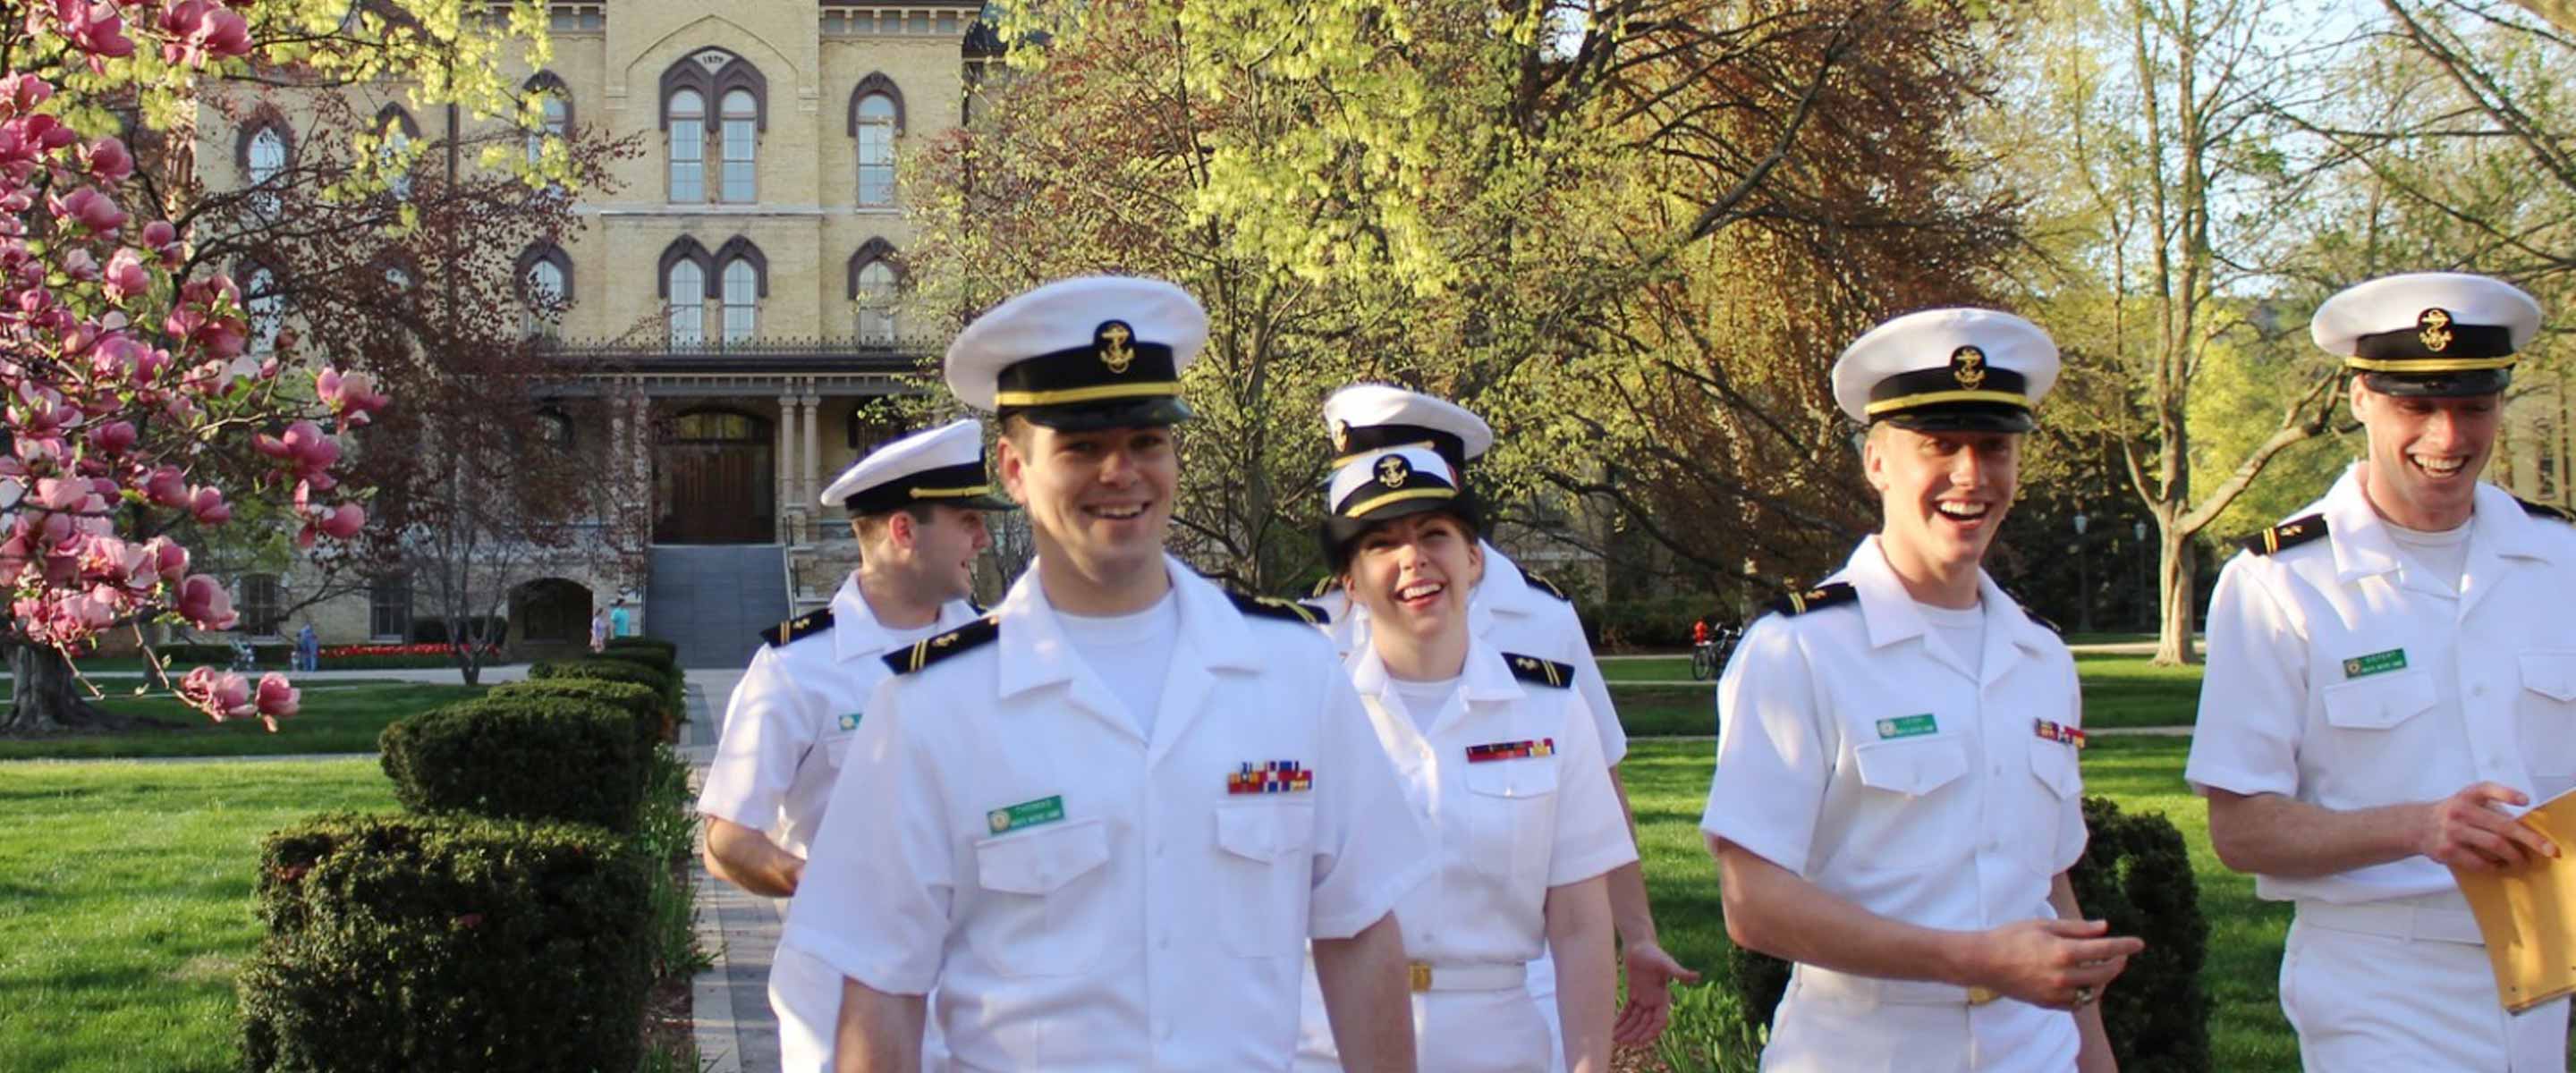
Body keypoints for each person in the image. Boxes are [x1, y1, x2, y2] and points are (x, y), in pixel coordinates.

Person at [784, 276, 1434, 1071]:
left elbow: (1360, 931)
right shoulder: (929, 706)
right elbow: (881, 997)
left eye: (1146, 441)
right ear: (1014, 471)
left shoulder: (1292, 670)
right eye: (1082, 447)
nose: (1121, 472)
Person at [1700, 308, 2138, 1072]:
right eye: (1940, 446)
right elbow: (1753, 902)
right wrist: (1973, 960)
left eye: (1994, 448)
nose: (1971, 476)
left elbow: (2050, 883)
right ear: (1877, 462)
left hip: (2030, 1051)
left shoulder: (2040, 656)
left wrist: (2093, 1056)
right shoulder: (1799, 648)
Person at [2185, 273, 2568, 1069]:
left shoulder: (2559, 561)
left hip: (2547, 960)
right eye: (2416, 407)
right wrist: (2419, 828)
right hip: (2378, 974)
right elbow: (2241, 828)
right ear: (2359, 396)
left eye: (2472, 406)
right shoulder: (2280, 583)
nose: (2448, 437)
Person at [1314, 384, 1697, 1055]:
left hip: (1505, 1007)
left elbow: (1594, 809)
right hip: (1334, 1028)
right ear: (1350, 575)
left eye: (1433, 529)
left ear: (1472, 552)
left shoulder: (1543, 643)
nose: (1412, 559)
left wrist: (1636, 933)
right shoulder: (1305, 676)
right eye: (1379, 537)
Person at [699, 418, 1013, 1073]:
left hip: (988, 997)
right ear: (903, 531)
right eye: (965, 519)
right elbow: (726, 839)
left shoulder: (1006, 654)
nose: (982, 536)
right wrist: (818, 882)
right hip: (841, 1000)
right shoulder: (795, 669)